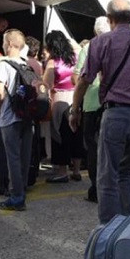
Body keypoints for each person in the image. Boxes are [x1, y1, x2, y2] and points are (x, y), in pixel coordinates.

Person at [70, 0, 130, 224]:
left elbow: (85, 80)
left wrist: (75, 110)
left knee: (107, 174)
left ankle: (108, 229)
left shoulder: (100, 42)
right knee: (126, 171)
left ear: (109, 18)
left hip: (117, 113)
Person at [0, 29, 32, 211]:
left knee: (13, 158)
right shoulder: (27, 64)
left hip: (10, 116)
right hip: (27, 116)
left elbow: (0, 91)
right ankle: (22, 189)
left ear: (9, 45)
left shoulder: (4, 64)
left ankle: (16, 196)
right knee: (24, 156)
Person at [74, 16, 110, 203]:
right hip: (112, 104)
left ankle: (96, 190)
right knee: (110, 147)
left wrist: (75, 107)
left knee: (93, 149)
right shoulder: (115, 47)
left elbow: (79, 79)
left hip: (90, 105)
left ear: (95, 31)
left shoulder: (88, 48)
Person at [42, 30, 83, 183]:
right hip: (76, 98)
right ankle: (77, 170)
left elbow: (47, 84)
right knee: (76, 134)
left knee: (59, 135)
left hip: (59, 99)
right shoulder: (76, 58)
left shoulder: (53, 62)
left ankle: (62, 171)